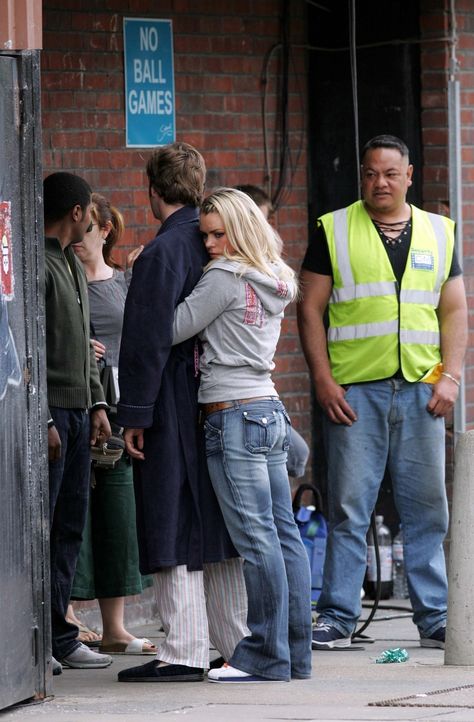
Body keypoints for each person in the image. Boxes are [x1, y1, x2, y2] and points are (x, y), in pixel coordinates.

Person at [297, 134, 468, 650]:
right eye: (371, 173)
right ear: (361, 176)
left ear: (409, 175)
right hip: (355, 393)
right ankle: (337, 617)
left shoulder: (440, 232)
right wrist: (323, 380)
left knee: (428, 510)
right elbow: (309, 307)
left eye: (391, 173)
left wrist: (452, 376)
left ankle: (437, 616)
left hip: (422, 390)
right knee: (350, 509)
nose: (380, 183)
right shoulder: (335, 228)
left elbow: (455, 309)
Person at [115, 143, 248, 683]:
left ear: (152, 190)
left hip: (170, 402)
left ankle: (184, 648)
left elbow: (147, 341)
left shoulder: (163, 252)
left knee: (169, 516)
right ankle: (234, 643)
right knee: (216, 525)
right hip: (218, 397)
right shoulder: (217, 242)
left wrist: (136, 414)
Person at [172, 188, 312, 683]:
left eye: (218, 233)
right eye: (205, 235)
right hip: (269, 411)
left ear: (241, 229)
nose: (209, 244)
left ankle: (264, 656)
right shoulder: (275, 276)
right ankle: (294, 654)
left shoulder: (225, 277)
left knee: (258, 541)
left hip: (232, 414)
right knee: (284, 536)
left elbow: (173, 328)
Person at [68, 192, 155, 656]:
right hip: (77, 403)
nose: (79, 239)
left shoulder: (124, 282)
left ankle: (115, 627)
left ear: (104, 230)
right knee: (73, 512)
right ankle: (67, 618)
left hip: (119, 407)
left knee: (119, 516)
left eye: (88, 230)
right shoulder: (62, 278)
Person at [43, 172, 113, 671]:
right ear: (77, 211)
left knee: (70, 526)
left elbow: (85, 343)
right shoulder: (40, 265)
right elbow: (32, 347)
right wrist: (45, 417)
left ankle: (62, 638)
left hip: (78, 414)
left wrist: (98, 406)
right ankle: (40, 640)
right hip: (51, 417)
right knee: (43, 528)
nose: (91, 217)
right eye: (89, 209)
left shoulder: (71, 262)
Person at [234, 184, 310, 480]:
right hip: (246, 396)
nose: (266, 230)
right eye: (261, 221)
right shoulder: (236, 273)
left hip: (254, 395)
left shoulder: (258, 273)